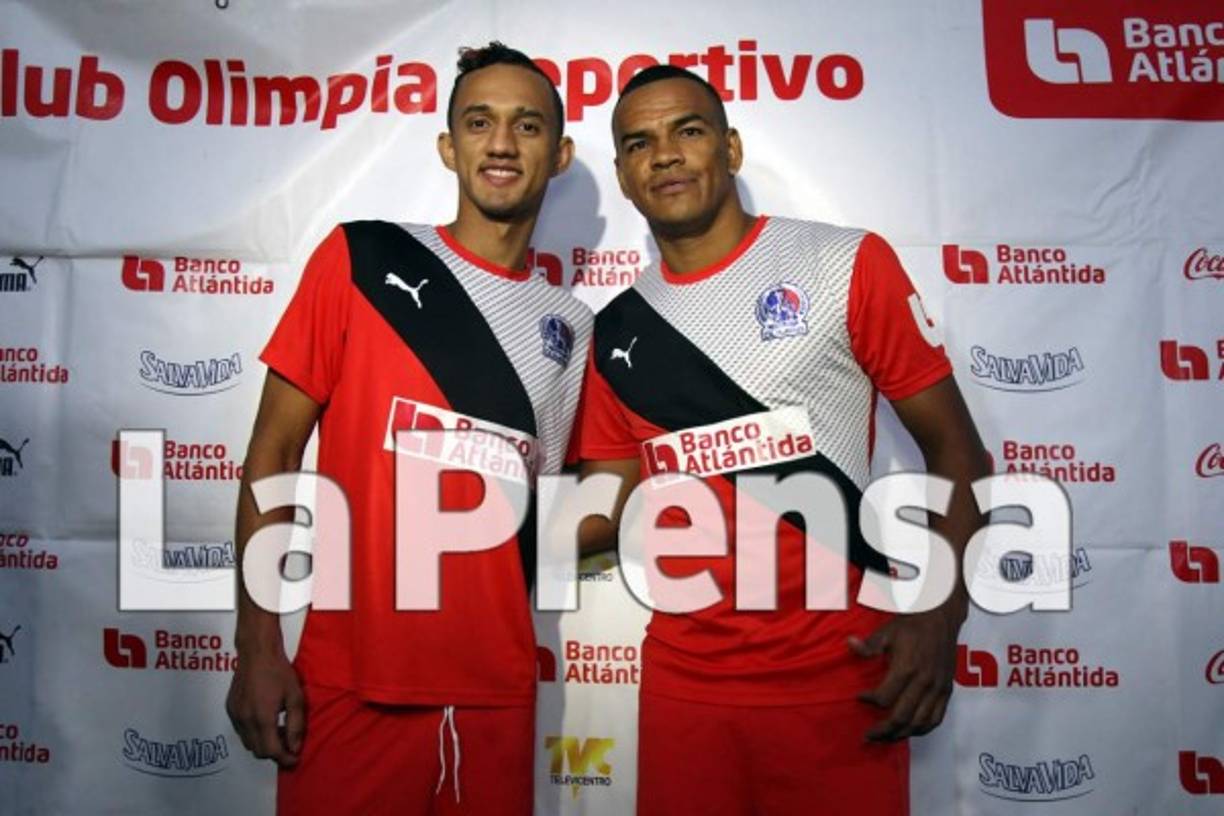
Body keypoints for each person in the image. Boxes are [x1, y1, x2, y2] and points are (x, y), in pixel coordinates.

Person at [575, 65, 990, 815]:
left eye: (688, 130)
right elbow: (597, 514)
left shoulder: (842, 263)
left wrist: (939, 609)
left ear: (730, 148)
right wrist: (454, 511)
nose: (665, 154)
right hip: (686, 690)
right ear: (624, 177)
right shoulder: (616, 333)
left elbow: (959, 451)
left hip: (847, 678)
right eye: (640, 144)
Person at [225, 42, 591, 816]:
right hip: (350, 685)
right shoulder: (362, 257)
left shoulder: (572, 325)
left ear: (558, 156)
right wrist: (257, 645)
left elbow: (542, 508)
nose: (500, 144)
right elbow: (274, 453)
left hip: (496, 694)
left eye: (527, 126)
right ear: (447, 146)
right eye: (479, 122)